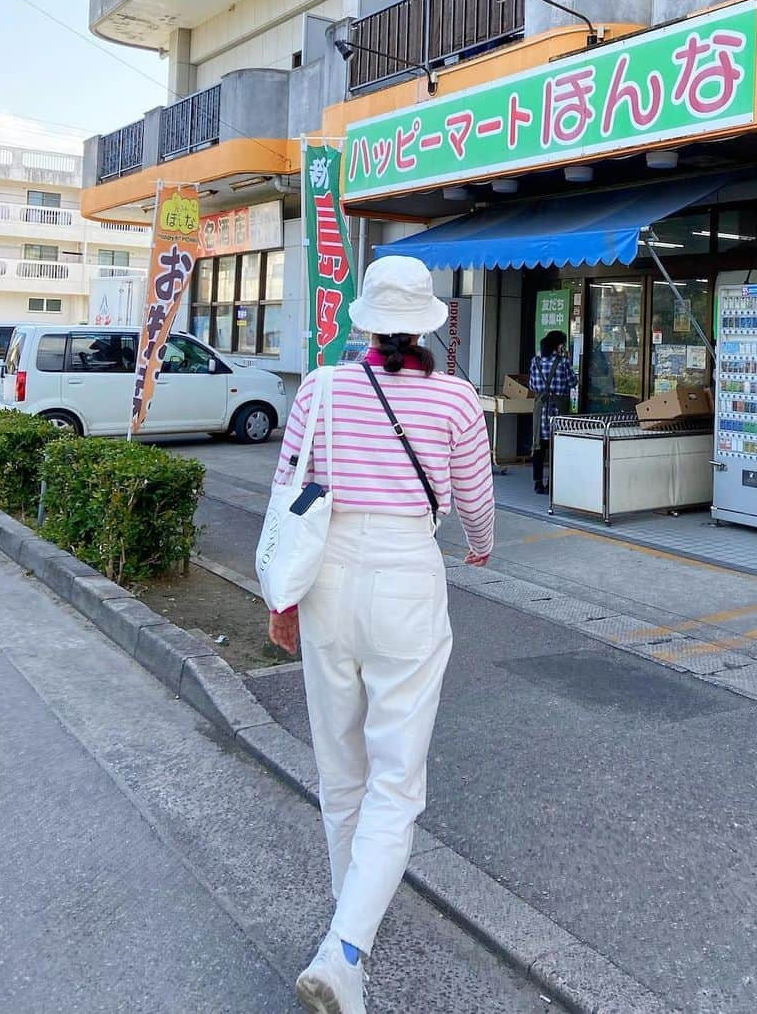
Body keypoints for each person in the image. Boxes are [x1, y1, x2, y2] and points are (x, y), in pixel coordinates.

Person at [266, 255, 494, 1014]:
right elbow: (474, 501)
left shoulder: (321, 389)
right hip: (406, 574)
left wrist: (282, 594)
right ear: (427, 323)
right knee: (398, 777)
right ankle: (346, 948)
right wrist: (481, 545)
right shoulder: (457, 399)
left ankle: (346, 933)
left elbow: (286, 494)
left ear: (365, 319)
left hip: (325, 570)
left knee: (342, 770)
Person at [528, 328, 578, 495]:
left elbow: (532, 385)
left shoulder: (535, 361)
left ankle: (537, 483)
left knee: (538, 446)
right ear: (558, 345)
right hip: (558, 409)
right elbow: (573, 382)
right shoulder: (563, 362)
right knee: (556, 446)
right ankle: (552, 483)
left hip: (540, 408)